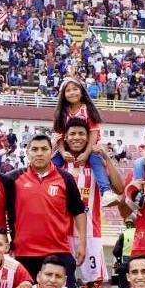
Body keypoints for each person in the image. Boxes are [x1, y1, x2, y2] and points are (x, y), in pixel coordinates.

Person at [52, 118, 125, 288]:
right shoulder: (58, 164)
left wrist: (106, 156)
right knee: (59, 283)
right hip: (60, 233)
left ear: (88, 138)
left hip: (91, 233)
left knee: (95, 286)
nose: (77, 138)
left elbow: (120, 188)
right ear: (66, 138)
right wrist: (55, 148)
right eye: (73, 134)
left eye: (81, 134)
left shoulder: (95, 164)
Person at [4, 135, 87, 288]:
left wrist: (82, 243)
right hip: (24, 254)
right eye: (34, 149)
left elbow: (79, 212)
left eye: (44, 149)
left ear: (52, 151)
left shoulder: (65, 178)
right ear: (27, 153)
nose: (39, 153)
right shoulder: (12, 179)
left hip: (58, 252)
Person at [51, 77, 117, 205]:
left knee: (96, 162)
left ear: (82, 92)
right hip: (67, 147)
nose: (72, 92)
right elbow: (59, 135)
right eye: (68, 90)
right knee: (52, 163)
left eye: (75, 89)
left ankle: (106, 192)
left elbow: (93, 133)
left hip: (89, 147)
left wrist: (87, 153)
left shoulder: (87, 110)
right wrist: (63, 152)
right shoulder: (61, 113)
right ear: (63, 95)